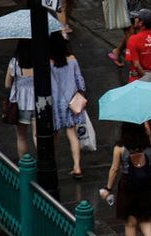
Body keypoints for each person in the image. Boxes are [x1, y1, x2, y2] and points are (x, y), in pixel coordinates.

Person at [100, 122, 151, 236]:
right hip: (146, 184)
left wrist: (108, 189)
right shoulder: (150, 143)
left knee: (130, 223)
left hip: (128, 186)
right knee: (145, 218)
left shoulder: (120, 148)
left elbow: (114, 170)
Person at [49, 32, 86, 179]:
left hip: (55, 103)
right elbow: (80, 80)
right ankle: (77, 166)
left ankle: (51, 164)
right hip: (71, 102)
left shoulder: (48, 62)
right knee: (72, 134)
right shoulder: (72, 60)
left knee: (54, 135)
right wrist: (82, 94)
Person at [4, 40, 35, 159]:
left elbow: (7, 84)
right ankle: (42, 162)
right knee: (37, 135)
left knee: (21, 137)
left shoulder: (14, 63)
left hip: (20, 104)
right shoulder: (40, 61)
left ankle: (24, 166)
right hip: (36, 102)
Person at [107, 0, 141, 67]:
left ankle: (118, 51)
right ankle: (134, 63)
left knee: (136, 32)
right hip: (123, 4)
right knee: (130, 34)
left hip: (134, 4)